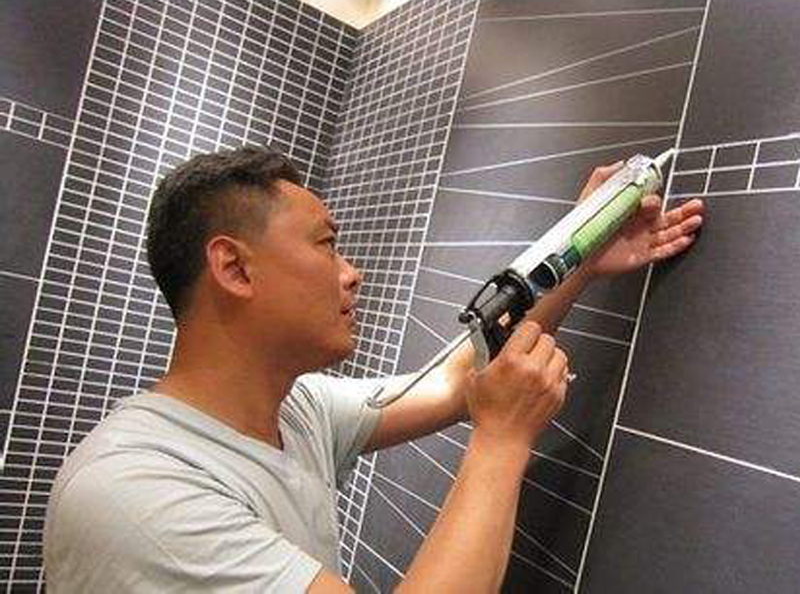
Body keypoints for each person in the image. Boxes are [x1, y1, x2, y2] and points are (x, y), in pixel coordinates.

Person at [43, 145, 704, 592]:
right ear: (235, 268)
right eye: (327, 245)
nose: (352, 273)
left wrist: (579, 249)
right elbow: (483, 402)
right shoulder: (134, 492)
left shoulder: (298, 411)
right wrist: (502, 441)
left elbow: (458, 381)